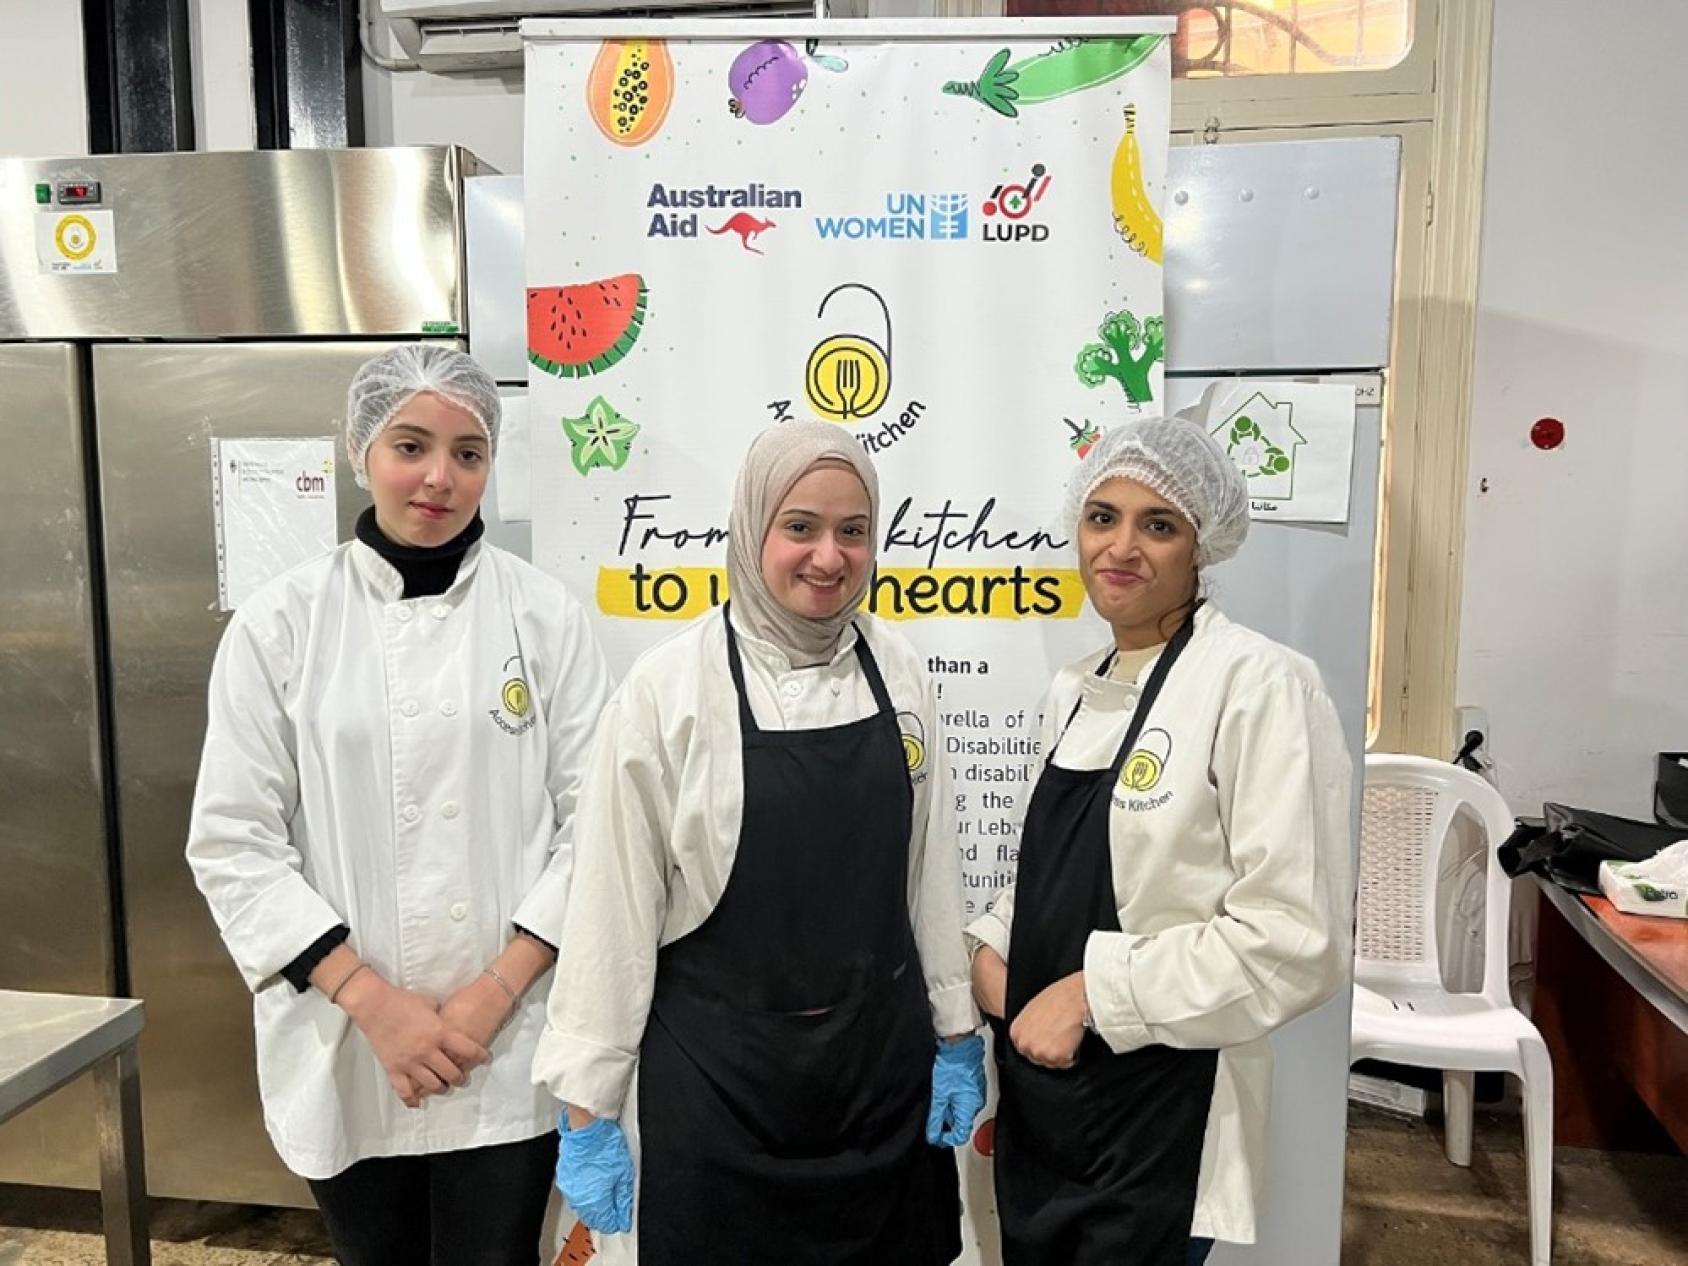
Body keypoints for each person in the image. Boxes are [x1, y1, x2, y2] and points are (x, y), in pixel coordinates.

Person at [186, 344, 612, 1266]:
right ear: (359, 450)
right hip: (345, 1038)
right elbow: (233, 840)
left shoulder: (546, 619)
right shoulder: (282, 623)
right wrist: (374, 1002)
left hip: (505, 1040)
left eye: (468, 452)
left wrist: (490, 996)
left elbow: (599, 827)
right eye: (410, 445)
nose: (438, 477)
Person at [533, 421, 986, 1265]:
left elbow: (928, 867)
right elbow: (611, 915)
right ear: (750, 529)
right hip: (721, 1096)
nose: (829, 557)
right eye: (800, 527)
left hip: (879, 1083)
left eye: (854, 531)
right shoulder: (667, 692)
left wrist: (956, 1030)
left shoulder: (900, 667)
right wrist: (588, 1111)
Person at [967, 416, 1353, 1266]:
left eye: (1159, 525)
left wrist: (1094, 995)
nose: (1123, 547)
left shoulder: (1261, 685)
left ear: (1202, 546)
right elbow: (1052, 877)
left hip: (1159, 1115)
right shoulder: (1071, 690)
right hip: (1046, 1103)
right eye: (1103, 517)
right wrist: (989, 944)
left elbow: (1295, 942)